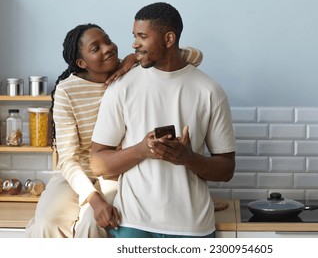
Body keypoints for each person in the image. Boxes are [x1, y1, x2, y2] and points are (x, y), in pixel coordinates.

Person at [25, 23, 203, 238]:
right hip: (76, 176)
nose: (107, 48)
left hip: (115, 174)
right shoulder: (67, 90)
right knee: (47, 223)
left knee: (94, 224)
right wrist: (93, 198)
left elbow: (195, 55)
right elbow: (68, 160)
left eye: (107, 41)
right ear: (81, 62)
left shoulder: (134, 72)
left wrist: (133, 59)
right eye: (95, 48)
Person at [90, 2, 236, 238]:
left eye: (142, 36)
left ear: (169, 39)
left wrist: (188, 159)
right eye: (134, 36)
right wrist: (141, 150)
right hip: (133, 225)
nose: (134, 43)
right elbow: (97, 163)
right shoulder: (121, 87)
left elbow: (226, 169)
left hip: (192, 227)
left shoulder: (209, 91)